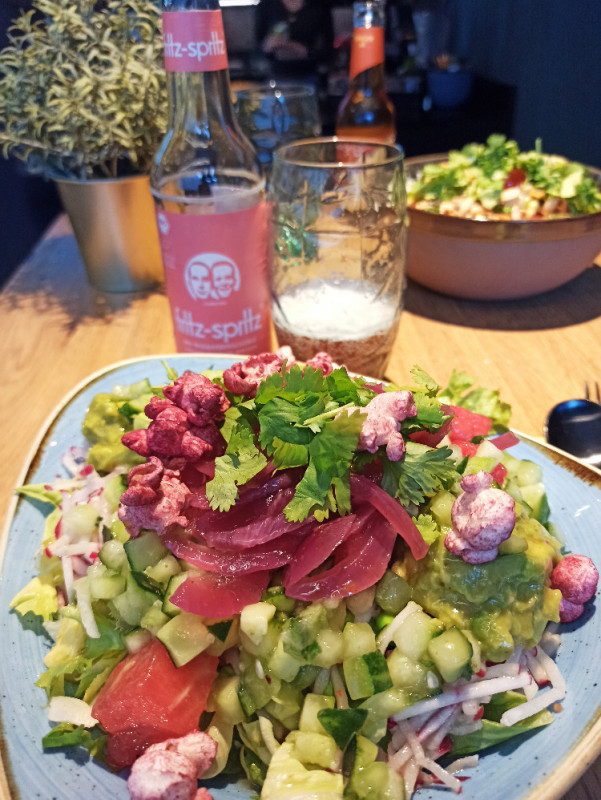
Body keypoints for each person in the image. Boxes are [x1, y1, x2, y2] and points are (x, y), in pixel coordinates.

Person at [256, 0, 334, 82]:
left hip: (311, 75)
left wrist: (306, 51)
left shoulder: (319, 6)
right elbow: (257, 46)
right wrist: (267, 46)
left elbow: (328, 47)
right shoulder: (266, 5)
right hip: (275, 75)